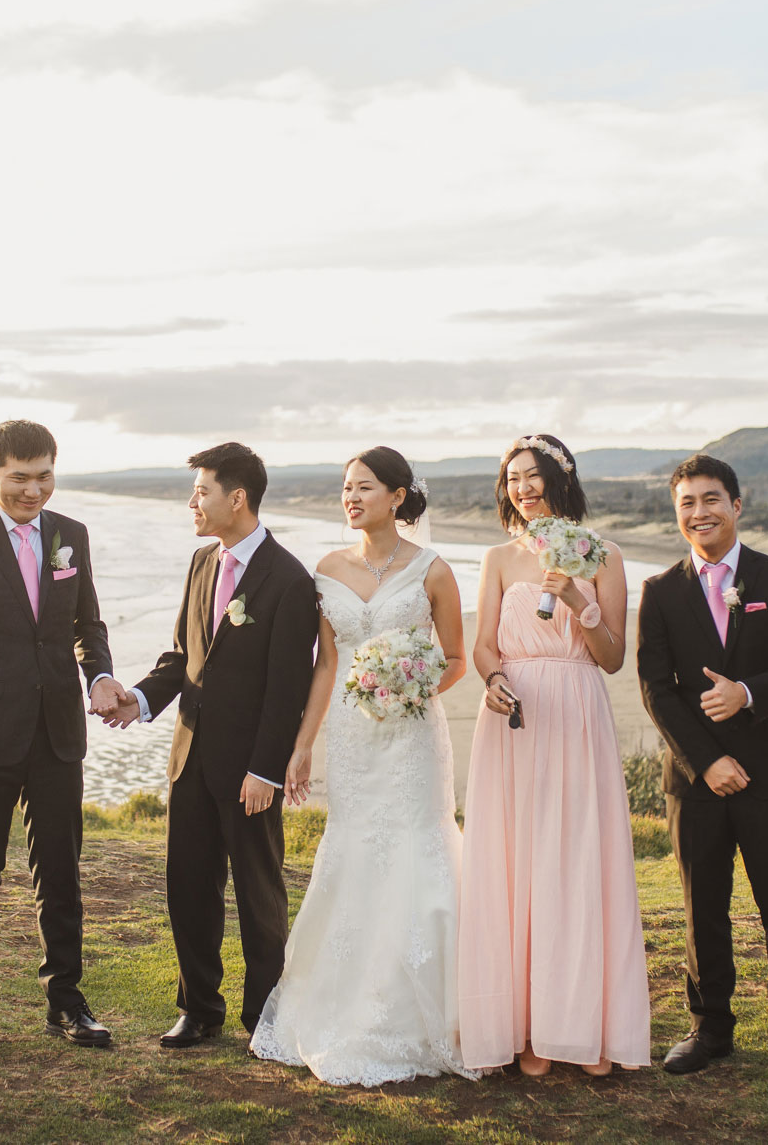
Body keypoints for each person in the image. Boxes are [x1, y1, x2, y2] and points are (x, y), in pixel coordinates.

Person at [247, 447, 476, 1084]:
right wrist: (301, 745)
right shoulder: (326, 569)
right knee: (353, 849)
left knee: (415, 847)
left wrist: (410, 686)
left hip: (410, 733)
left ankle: (425, 1012)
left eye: (365, 488)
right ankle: (341, 1004)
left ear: (398, 496)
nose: (351, 498)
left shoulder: (432, 570)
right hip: (350, 736)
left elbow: (455, 659)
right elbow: (326, 666)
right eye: (345, 488)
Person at [92, 442, 319, 1050]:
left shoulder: (291, 580)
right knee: (188, 889)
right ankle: (199, 1009)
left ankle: (264, 1019)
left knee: (258, 897)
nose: (192, 502)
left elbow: (287, 689)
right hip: (189, 761)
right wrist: (137, 701)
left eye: (202, 491)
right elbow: (183, 658)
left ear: (236, 497)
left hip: (249, 771)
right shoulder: (201, 564)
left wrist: (266, 770)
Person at [0, 420, 130, 1053]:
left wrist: (100, 676)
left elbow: (87, 623)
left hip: (58, 733)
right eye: (19, 478)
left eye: (44, 476)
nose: (33, 491)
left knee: (62, 873)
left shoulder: (72, 535)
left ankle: (67, 1002)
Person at [460, 434, 650, 1077]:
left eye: (535, 476)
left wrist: (579, 599)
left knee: (575, 862)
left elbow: (613, 656)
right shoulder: (497, 558)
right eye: (513, 478)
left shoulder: (607, 553)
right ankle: (529, 1029)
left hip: (576, 713)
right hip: (514, 718)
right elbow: (483, 645)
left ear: (562, 481)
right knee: (518, 864)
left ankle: (582, 1025)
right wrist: (492, 682)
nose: (524, 488)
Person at [637, 454, 768, 1087]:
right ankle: (710, 1028)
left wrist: (746, 693)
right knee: (702, 908)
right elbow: (656, 689)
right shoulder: (660, 592)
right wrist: (708, 759)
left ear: (737, 506)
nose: (699, 512)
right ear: (677, 513)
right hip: (695, 781)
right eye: (687, 502)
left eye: (711, 499)